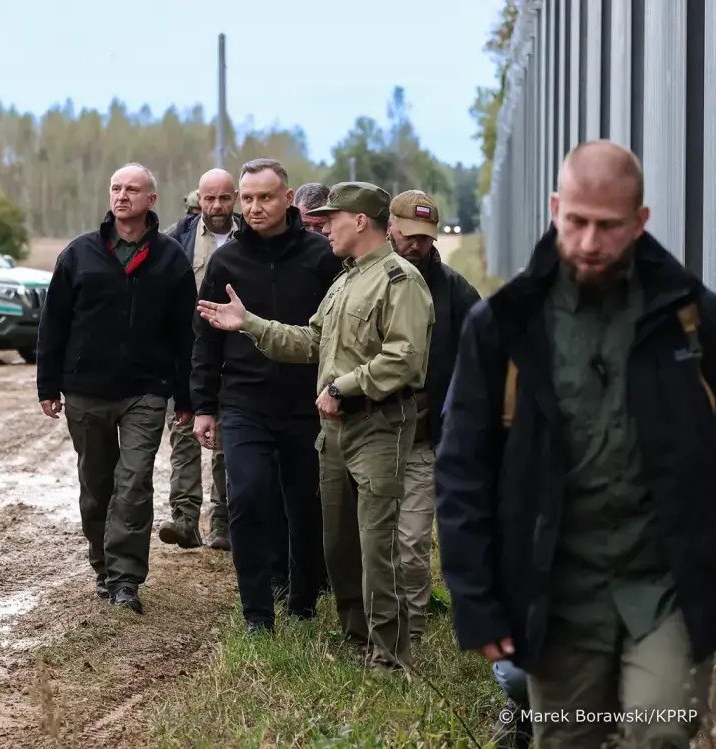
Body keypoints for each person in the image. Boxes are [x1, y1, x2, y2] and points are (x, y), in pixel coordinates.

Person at [436, 140, 716, 746]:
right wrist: (476, 601)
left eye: (609, 227)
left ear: (640, 223)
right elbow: (461, 470)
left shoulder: (690, 319)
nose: (590, 243)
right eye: (577, 222)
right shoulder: (504, 326)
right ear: (556, 208)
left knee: (659, 728)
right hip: (556, 591)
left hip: (664, 585)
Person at [198, 181, 434, 669]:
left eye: (333, 218)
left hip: (377, 425)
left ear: (361, 221)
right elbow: (311, 342)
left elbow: (404, 359)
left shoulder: (399, 280)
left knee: (377, 544)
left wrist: (344, 387)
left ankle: (389, 654)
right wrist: (250, 324)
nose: (323, 226)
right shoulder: (346, 280)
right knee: (338, 544)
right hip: (335, 432)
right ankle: (354, 635)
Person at [36, 162, 197, 615]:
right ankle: (102, 566)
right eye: (116, 188)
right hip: (87, 390)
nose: (122, 195)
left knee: (133, 483)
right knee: (96, 486)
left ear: (152, 200)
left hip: (146, 390)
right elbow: (54, 324)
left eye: (133, 189)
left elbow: (185, 335)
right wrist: (48, 383)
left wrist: (187, 395)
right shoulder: (79, 254)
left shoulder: (170, 260)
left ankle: (126, 579)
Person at [191, 159, 342, 634]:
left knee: (305, 506)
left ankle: (301, 603)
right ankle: (257, 613)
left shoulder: (322, 258)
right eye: (248, 198)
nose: (255, 208)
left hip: (306, 406)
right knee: (249, 498)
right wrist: (204, 406)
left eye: (265, 197)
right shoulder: (226, 261)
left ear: (288, 198)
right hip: (244, 405)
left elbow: (336, 336)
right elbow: (207, 338)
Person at [386, 190, 481, 642]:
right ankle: (372, 624)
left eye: (424, 238)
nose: (416, 246)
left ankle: (414, 630)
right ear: (389, 228)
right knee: (371, 542)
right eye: (408, 236)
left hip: (425, 436)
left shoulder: (456, 292)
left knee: (411, 544)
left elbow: (485, 357)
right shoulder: (362, 281)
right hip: (369, 434)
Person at [159, 169, 241, 550]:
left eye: (224, 198)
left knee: (227, 438)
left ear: (235, 198)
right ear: (199, 199)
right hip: (189, 354)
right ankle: (185, 519)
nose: (216, 206)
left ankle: (223, 522)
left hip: (237, 353)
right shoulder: (178, 241)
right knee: (184, 432)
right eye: (210, 198)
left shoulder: (250, 239)